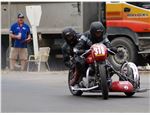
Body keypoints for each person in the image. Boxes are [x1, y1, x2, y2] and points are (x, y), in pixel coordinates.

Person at [73, 21, 117, 86]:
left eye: (100, 32)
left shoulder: (104, 37)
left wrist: (113, 49)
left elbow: (109, 45)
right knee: (80, 62)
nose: (99, 34)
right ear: (92, 32)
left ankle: (107, 79)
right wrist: (79, 50)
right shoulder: (86, 35)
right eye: (97, 33)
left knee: (111, 68)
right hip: (87, 55)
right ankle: (77, 80)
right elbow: (78, 46)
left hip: (100, 56)